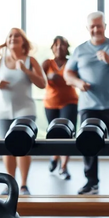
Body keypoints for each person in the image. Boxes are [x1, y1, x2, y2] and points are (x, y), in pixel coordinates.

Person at [64, 11, 109, 195]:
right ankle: (91, 182)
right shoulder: (80, 50)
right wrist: (79, 83)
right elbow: (68, 74)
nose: (96, 29)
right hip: (88, 106)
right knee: (88, 144)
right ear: (87, 28)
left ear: (105, 26)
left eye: (99, 25)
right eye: (92, 26)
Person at [0, 28, 47, 195]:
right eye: (10, 36)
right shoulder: (0, 62)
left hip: (25, 110)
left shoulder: (30, 61)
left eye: (16, 35)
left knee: (23, 147)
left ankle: (24, 185)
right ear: (7, 41)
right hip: (3, 111)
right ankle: (10, 183)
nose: (13, 38)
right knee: (7, 148)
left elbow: (42, 83)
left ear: (23, 41)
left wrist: (26, 71)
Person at [42, 35, 79, 180]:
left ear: (67, 48)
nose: (59, 47)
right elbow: (38, 79)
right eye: (56, 45)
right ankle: (55, 157)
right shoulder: (47, 63)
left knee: (67, 134)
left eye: (62, 45)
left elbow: (77, 78)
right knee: (54, 133)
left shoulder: (71, 63)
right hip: (50, 103)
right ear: (52, 48)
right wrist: (48, 77)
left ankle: (63, 167)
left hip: (69, 102)